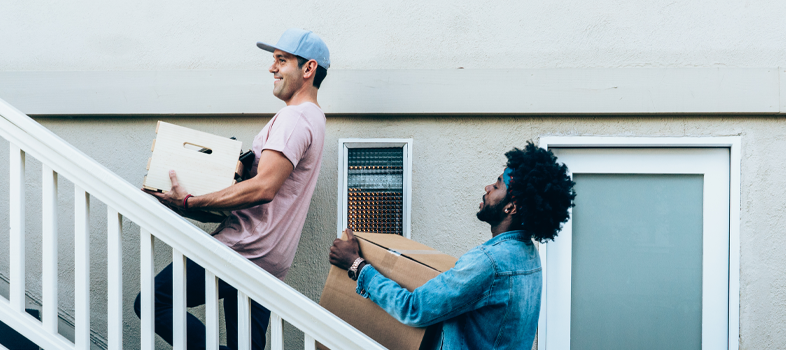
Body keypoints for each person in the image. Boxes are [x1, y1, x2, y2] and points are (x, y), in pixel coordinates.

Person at [135, 28, 330, 350]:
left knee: (155, 302)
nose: (272, 68)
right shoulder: (314, 119)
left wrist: (190, 201)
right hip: (270, 256)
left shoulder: (294, 118)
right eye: (273, 60)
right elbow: (266, 187)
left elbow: (264, 188)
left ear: (308, 69)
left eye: (282, 61)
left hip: (245, 249)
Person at [329, 142, 577, 350]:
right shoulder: (529, 257)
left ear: (511, 207)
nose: (487, 188)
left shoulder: (489, 263)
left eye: (498, 184)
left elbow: (414, 309)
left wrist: (357, 265)